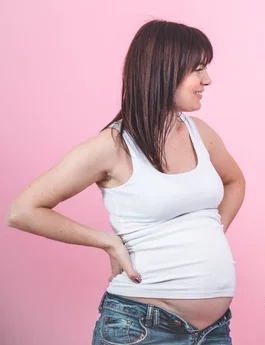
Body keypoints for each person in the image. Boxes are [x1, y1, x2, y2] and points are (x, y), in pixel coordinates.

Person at [5, 20, 245, 345]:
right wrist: (107, 241)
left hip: (214, 332)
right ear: (165, 70)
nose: (207, 80)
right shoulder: (112, 147)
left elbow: (235, 182)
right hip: (142, 329)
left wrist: (212, 233)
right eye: (198, 69)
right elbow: (22, 211)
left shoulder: (199, 133)